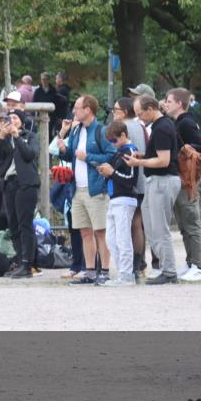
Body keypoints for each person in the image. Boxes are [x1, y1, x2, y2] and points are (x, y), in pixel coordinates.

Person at [57, 95, 115, 285]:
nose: (74, 111)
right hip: (77, 190)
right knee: (85, 232)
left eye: (77, 107)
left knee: (101, 232)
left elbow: (112, 155)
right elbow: (70, 156)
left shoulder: (101, 130)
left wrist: (88, 157)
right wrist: (63, 147)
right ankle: (89, 271)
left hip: (96, 189)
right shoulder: (76, 130)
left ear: (88, 109)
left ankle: (104, 271)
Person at [126, 96, 182, 285]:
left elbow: (164, 160)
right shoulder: (160, 126)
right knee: (151, 227)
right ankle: (165, 268)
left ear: (150, 109)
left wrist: (139, 162)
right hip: (157, 181)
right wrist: (143, 155)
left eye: (141, 114)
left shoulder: (162, 128)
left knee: (160, 228)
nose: (140, 119)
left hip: (162, 181)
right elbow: (160, 154)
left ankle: (169, 271)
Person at [162, 88, 201, 281]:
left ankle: (198, 266)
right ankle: (191, 263)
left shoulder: (186, 123)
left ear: (179, 104)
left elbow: (200, 146)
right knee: (184, 225)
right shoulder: (179, 122)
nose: (165, 104)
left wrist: (183, 150)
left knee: (192, 223)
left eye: (169, 101)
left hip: (188, 180)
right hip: (182, 179)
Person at [0, 109, 41, 278]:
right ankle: (20, 262)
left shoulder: (30, 136)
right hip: (9, 184)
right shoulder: (5, 139)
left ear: (22, 122)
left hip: (26, 184)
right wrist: (0, 137)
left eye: (15, 118)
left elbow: (29, 155)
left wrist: (17, 136)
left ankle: (28, 264)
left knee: (25, 224)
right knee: (13, 226)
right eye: (9, 118)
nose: (12, 120)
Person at [98, 120, 139, 286]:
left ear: (123, 135)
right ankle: (123, 271)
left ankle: (127, 274)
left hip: (125, 199)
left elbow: (131, 180)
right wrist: (107, 173)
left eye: (114, 140)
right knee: (110, 239)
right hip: (114, 198)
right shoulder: (119, 152)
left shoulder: (130, 151)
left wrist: (112, 173)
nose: (112, 144)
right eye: (110, 141)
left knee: (123, 238)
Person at [111, 98, 147, 278]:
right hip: (142, 177)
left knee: (133, 225)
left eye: (115, 109)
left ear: (125, 111)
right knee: (138, 224)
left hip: (129, 181)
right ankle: (140, 264)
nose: (113, 113)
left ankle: (135, 265)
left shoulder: (123, 127)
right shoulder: (140, 125)